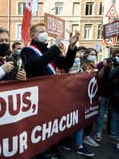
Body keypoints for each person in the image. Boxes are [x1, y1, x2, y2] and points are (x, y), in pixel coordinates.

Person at [20, 22, 83, 159]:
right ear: (33, 35)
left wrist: (71, 47)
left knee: (51, 125)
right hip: (38, 96)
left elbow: (66, 64)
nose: (45, 33)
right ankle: (41, 152)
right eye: (41, 31)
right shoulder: (27, 51)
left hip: (52, 95)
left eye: (45, 30)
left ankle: (53, 148)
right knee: (39, 126)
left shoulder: (49, 50)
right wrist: (55, 47)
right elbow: (36, 65)